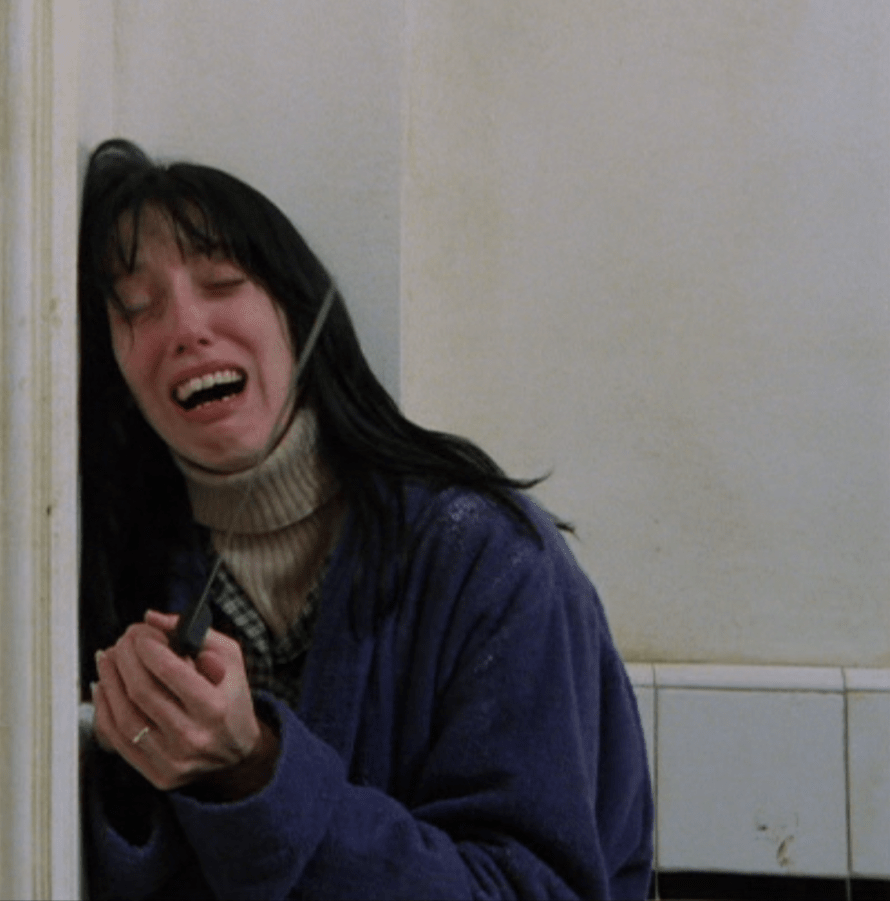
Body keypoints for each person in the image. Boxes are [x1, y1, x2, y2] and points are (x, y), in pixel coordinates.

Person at [77, 138, 653, 900]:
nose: (185, 327)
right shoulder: (123, 579)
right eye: (136, 308)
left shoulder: (490, 558)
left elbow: (532, 887)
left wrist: (254, 769)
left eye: (221, 282)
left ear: (299, 313)